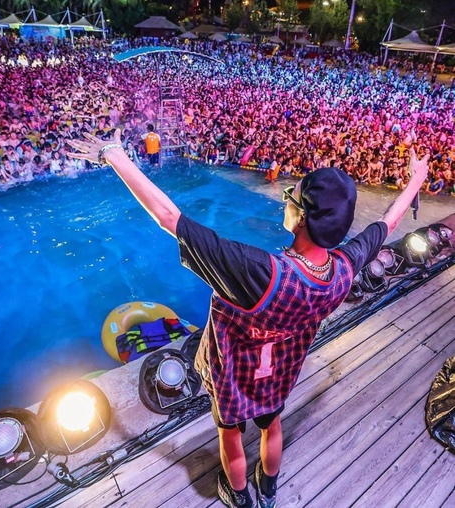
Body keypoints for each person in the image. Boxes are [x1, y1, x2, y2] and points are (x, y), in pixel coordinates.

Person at [68, 130, 429, 508]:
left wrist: (114, 154)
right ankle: (268, 491)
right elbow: (387, 224)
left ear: (301, 217)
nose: (285, 200)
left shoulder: (258, 272)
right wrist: (416, 180)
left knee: (230, 436)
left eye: (290, 196)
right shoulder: (342, 269)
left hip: (233, 377)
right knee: (272, 427)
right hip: (280, 374)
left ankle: (238, 495)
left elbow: (169, 218)